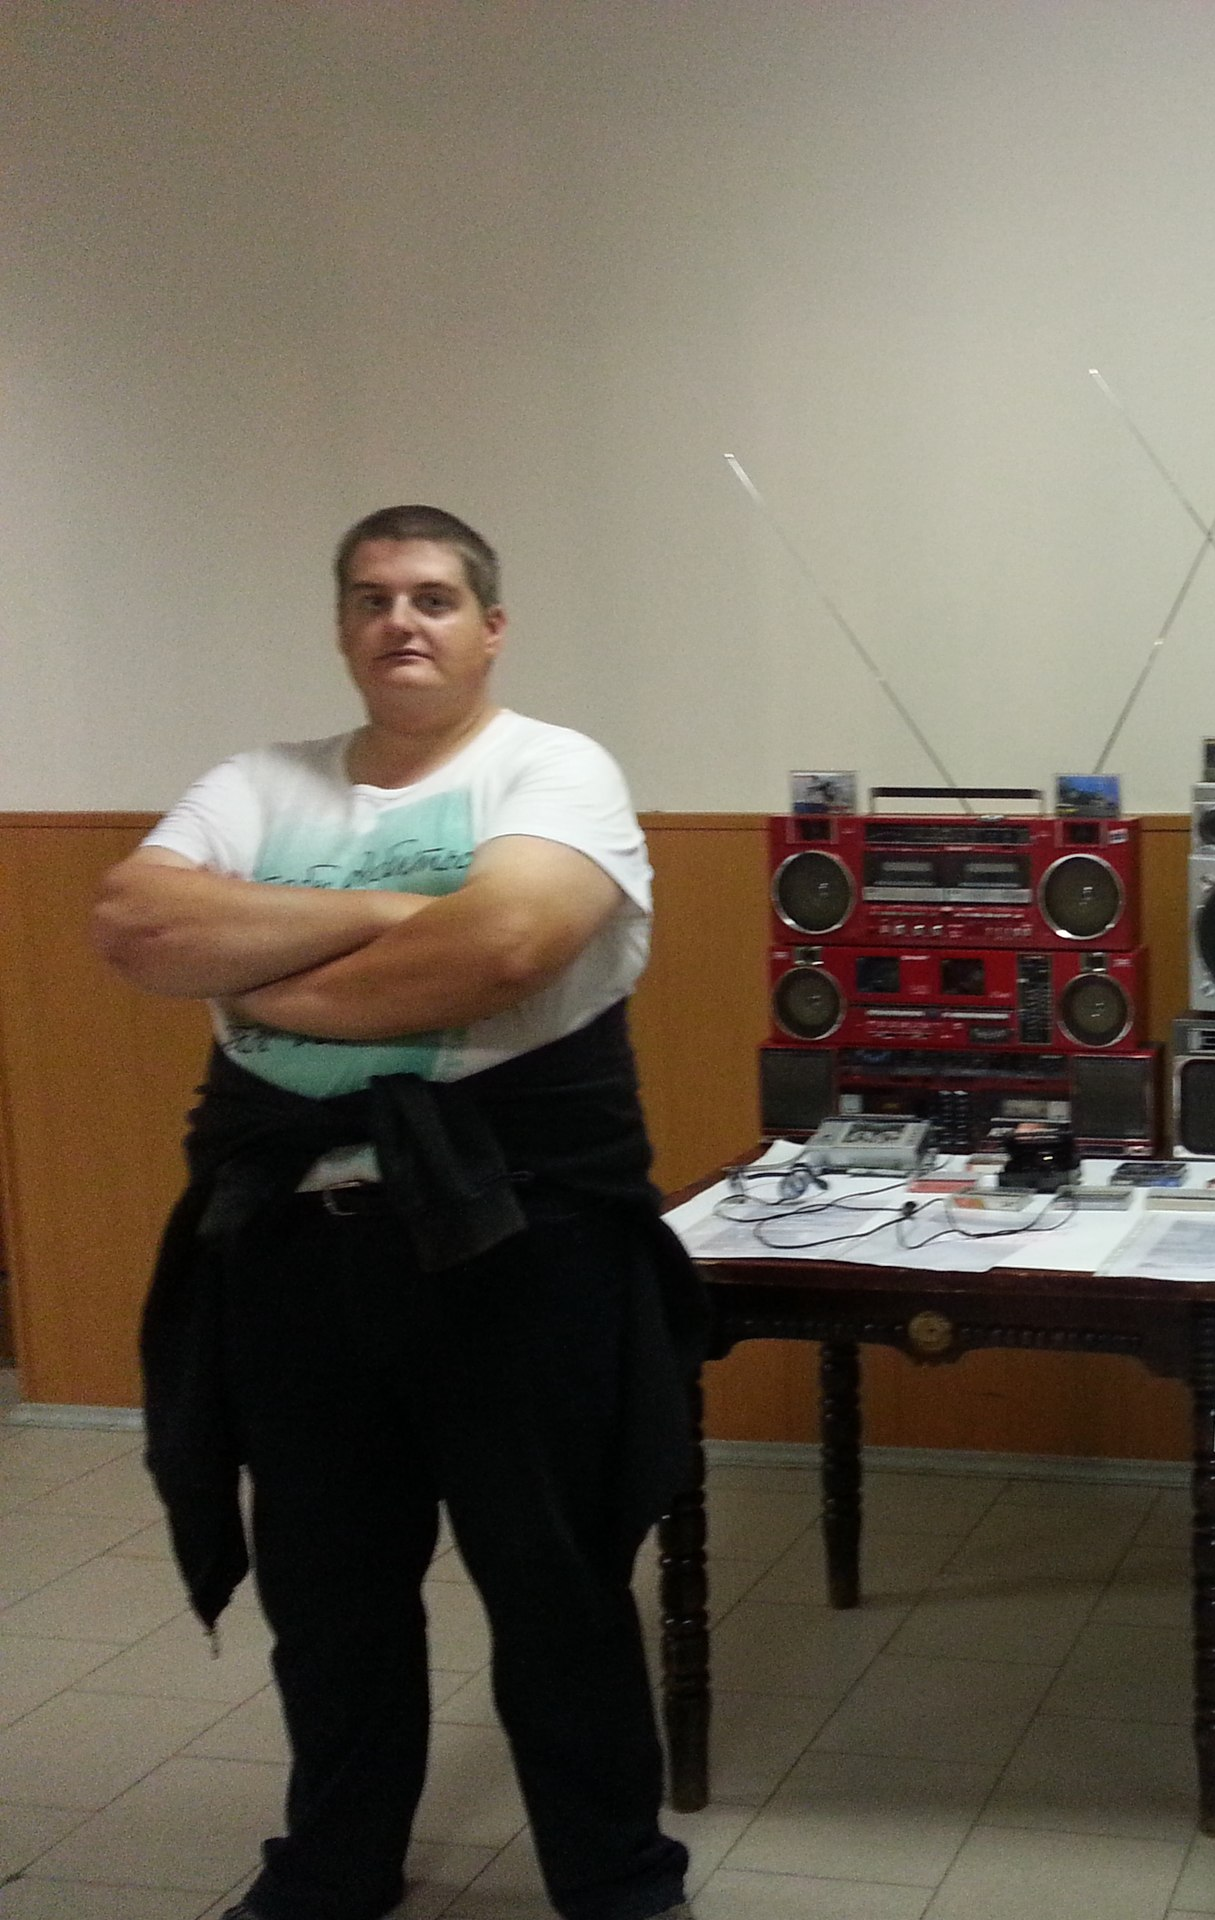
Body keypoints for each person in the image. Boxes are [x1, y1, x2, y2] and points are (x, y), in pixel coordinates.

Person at [93, 506, 704, 1920]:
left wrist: (260, 969)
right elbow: (137, 927)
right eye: (371, 599)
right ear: (342, 628)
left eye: (432, 597)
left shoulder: (551, 769)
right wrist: (398, 914)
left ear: (491, 627)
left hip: (518, 1252)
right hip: (297, 1255)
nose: (400, 621)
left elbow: (505, 944)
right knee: (326, 1594)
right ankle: (335, 1865)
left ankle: (616, 1881)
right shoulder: (262, 780)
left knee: (555, 1587)